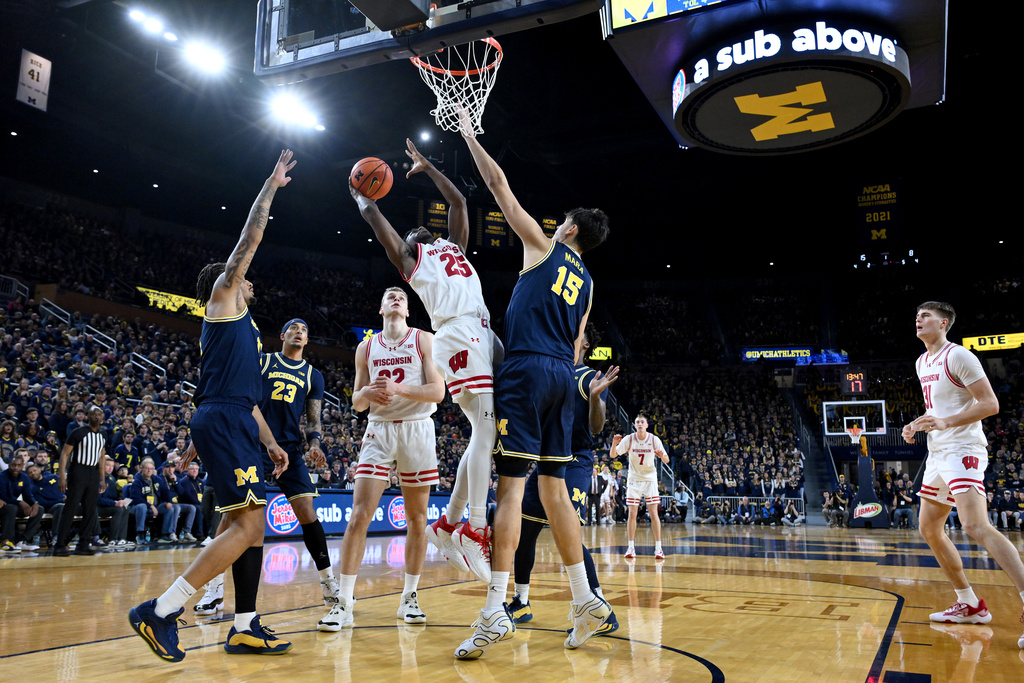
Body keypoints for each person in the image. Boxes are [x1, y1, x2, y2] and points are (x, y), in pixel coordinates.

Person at [128, 150, 296, 662]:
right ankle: (161, 610)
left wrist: (270, 444)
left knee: (244, 526)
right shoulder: (223, 301)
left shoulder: (243, 332)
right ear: (226, 281)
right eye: (244, 276)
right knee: (247, 526)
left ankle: (244, 625)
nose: (251, 281)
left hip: (233, 417)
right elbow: (249, 239)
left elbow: (247, 400)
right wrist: (270, 187)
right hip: (222, 419)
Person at [455, 126, 611, 659]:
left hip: (525, 371)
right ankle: (585, 598)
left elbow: (498, 186)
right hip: (563, 379)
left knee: (513, 491)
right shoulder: (588, 284)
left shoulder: (543, 248)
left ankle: (496, 607)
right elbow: (577, 346)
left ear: (567, 228)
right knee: (553, 491)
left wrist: (471, 136)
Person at [349, 139, 500, 583]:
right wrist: (362, 198)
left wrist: (428, 167)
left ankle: (451, 522)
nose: (417, 233)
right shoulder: (413, 262)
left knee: (486, 428)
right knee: (485, 426)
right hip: (457, 331)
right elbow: (379, 224)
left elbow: (458, 200)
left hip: (480, 331)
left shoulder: (455, 247)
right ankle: (470, 525)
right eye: (414, 235)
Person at [191, 317, 338, 632]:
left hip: (290, 449)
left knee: (307, 513)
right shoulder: (263, 361)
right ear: (283, 335)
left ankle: (328, 582)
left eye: (305, 330)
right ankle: (214, 589)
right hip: (252, 443)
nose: (301, 332)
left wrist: (314, 443)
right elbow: (238, 393)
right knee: (232, 519)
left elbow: (314, 419)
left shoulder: (314, 376)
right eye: (295, 328)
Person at [902, 301, 1024, 648]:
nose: (918, 319)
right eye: (917, 315)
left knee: (974, 525)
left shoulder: (959, 356)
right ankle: (969, 603)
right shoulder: (922, 360)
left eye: (925, 316)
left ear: (943, 324)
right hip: (938, 452)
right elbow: (938, 407)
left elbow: (989, 404)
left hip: (963, 450)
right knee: (928, 527)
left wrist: (945, 422)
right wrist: (919, 422)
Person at [331, 287, 445, 628]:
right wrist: (364, 393)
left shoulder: (424, 339)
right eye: (390, 296)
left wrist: (399, 389)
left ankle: (409, 596)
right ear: (381, 308)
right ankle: (343, 601)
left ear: (407, 311)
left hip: (416, 428)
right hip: (379, 429)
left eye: (401, 297)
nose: (396, 299)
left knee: (417, 520)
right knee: (359, 515)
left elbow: (438, 392)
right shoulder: (365, 347)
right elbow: (357, 401)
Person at [508, 325, 620, 632]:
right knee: (525, 531)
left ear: (585, 344)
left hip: (574, 460)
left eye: (577, 333)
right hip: (546, 460)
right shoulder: (551, 370)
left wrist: (596, 399)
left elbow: (596, 428)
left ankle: (600, 609)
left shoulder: (591, 378)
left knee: (567, 533)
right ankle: (521, 601)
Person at [612, 414, 670, 559]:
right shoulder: (629, 439)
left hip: (650, 479)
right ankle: (631, 548)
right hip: (634, 480)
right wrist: (614, 444)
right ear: (635, 425)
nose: (639, 423)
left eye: (642, 422)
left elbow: (667, 460)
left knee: (653, 514)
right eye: (637, 421)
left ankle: (658, 549)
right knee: (632, 514)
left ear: (646, 425)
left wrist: (661, 456)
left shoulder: (654, 439)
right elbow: (613, 455)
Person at [52, 406, 107, 556]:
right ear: (88, 416)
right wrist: (62, 476)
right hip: (78, 471)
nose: (96, 416)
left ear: (102, 417)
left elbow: (101, 457)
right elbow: (64, 454)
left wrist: (102, 479)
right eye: (93, 414)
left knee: (90, 510)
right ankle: (60, 544)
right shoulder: (78, 432)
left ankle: (83, 544)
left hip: (93, 473)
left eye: (99, 414)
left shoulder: (103, 435)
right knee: (70, 508)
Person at [0, 453, 43, 552]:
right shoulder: (2, 476)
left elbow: (28, 496)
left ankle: (23, 541)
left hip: (12, 505)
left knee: (39, 509)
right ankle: (6, 541)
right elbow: (3, 497)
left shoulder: (24, 478)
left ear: (23, 466)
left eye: (19, 465)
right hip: (3, 506)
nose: (15, 468)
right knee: (11, 508)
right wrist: (19, 502)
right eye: (13, 465)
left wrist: (35, 503)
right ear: (9, 465)